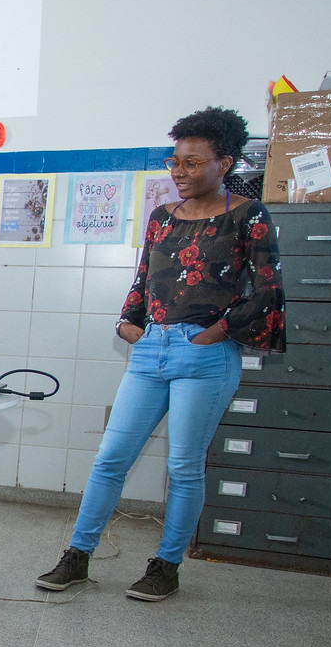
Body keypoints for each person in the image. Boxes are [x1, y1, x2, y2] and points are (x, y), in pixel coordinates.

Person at [37, 105, 285, 602]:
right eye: (175, 162)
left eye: (193, 162)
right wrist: (129, 324)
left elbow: (266, 290)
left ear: (226, 163)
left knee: (184, 465)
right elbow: (146, 278)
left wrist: (214, 334)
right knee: (110, 458)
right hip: (151, 350)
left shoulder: (247, 215)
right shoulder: (161, 217)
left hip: (205, 357)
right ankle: (78, 556)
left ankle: (166, 565)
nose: (180, 171)